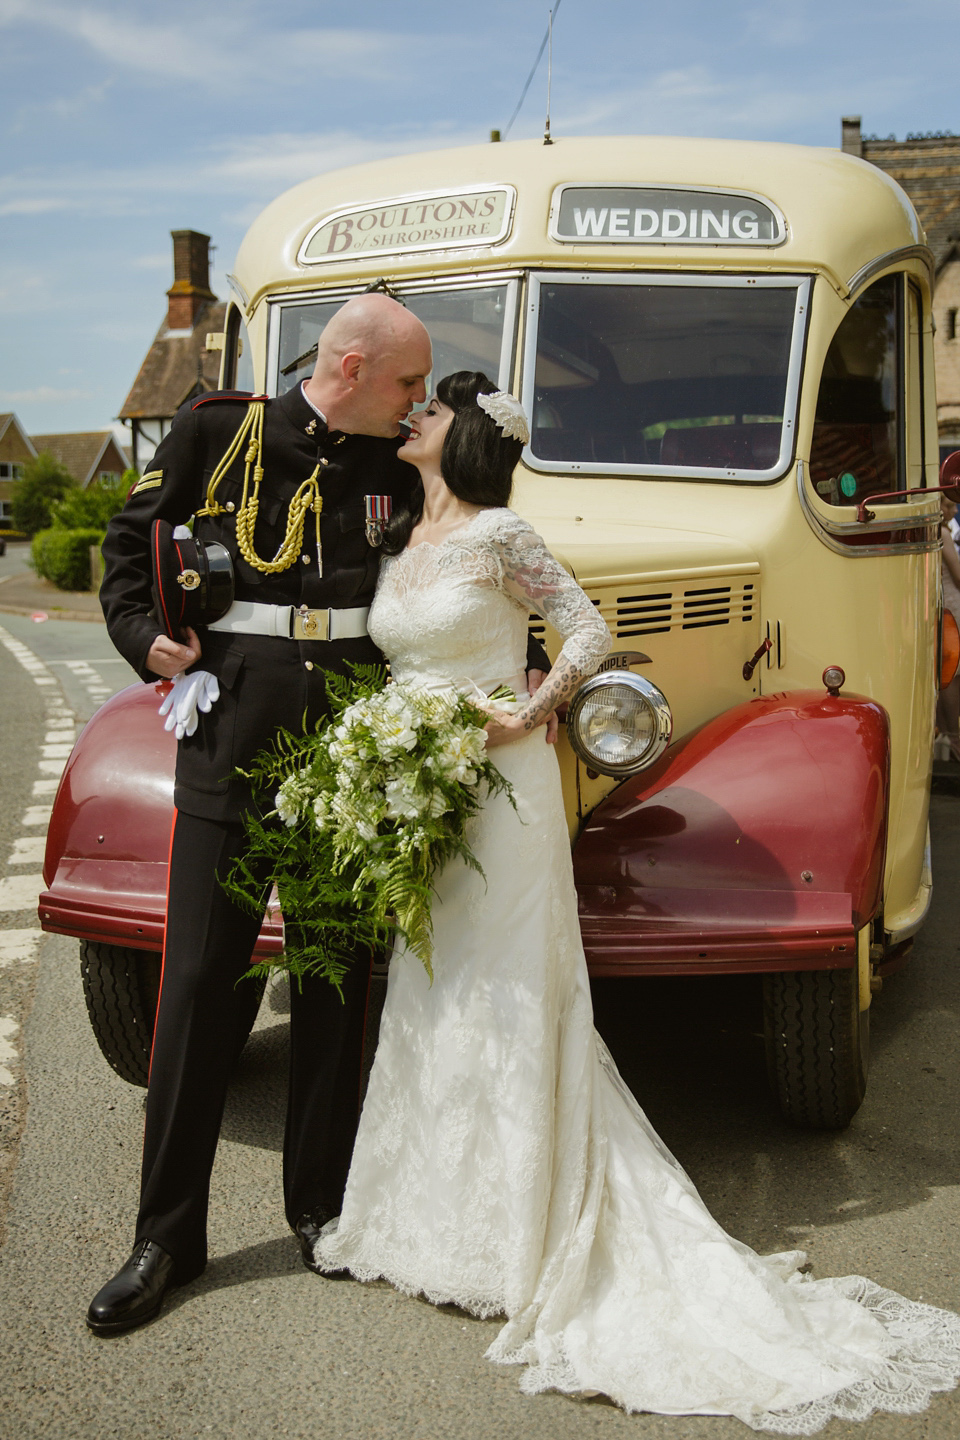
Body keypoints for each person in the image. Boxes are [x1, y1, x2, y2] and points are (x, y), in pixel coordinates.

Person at [311, 370, 960, 1433]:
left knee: (513, 986)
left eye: (432, 407)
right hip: (421, 786)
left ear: (463, 436)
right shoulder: (401, 538)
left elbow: (587, 629)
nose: (414, 413)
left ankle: (526, 1229)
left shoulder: (500, 531)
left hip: (500, 785)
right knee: (435, 984)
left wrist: (532, 710)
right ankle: (419, 1217)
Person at [88, 297, 550, 1336]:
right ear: (347, 364)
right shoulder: (216, 430)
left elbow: (479, 543)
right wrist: (139, 636)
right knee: (200, 987)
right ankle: (165, 1235)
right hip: (233, 746)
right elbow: (131, 543)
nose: (416, 402)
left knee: (337, 988)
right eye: (405, 383)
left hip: (350, 752)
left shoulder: (401, 464)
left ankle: (321, 1207)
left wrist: (517, 659)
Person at [937, 494, 960, 763]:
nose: (953, 510)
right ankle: (954, 736)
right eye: (949, 505)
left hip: (946, 607)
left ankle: (947, 732)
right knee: (953, 673)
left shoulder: (937, 530)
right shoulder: (942, 531)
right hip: (954, 606)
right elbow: (957, 575)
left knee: (947, 671)